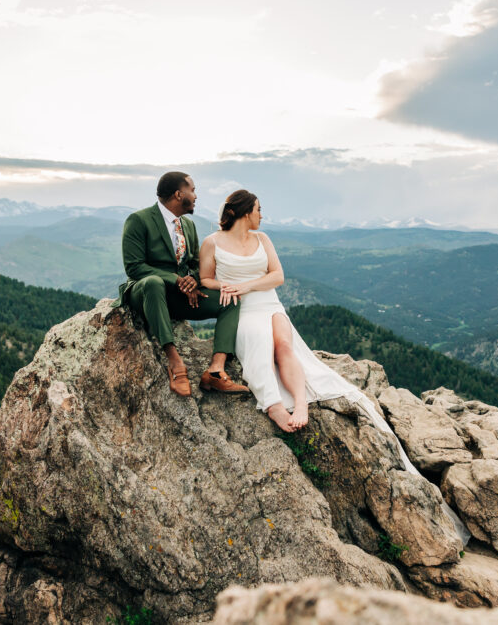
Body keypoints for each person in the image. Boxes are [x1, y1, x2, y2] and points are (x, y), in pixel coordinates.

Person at [200, 189, 471, 544]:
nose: (262, 215)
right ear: (242, 212)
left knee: (285, 345)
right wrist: (226, 287)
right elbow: (205, 279)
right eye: (258, 209)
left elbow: (278, 275)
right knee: (259, 348)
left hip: (269, 301)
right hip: (242, 309)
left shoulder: (262, 238)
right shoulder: (211, 242)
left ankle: (299, 402)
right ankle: (274, 405)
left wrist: (250, 284)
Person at [113, 171, 251, 398]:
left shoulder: (187, 225)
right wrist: (176, 280)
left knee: (230, 299)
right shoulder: (139, 220)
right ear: (179, 194)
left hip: (178, 296)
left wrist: (193, 280)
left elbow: (197, 264)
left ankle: (215, 372)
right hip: (145, 293)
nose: (196, 196)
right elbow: (134, 267)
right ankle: (175, 363)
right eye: (193, 190)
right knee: (154, 283)